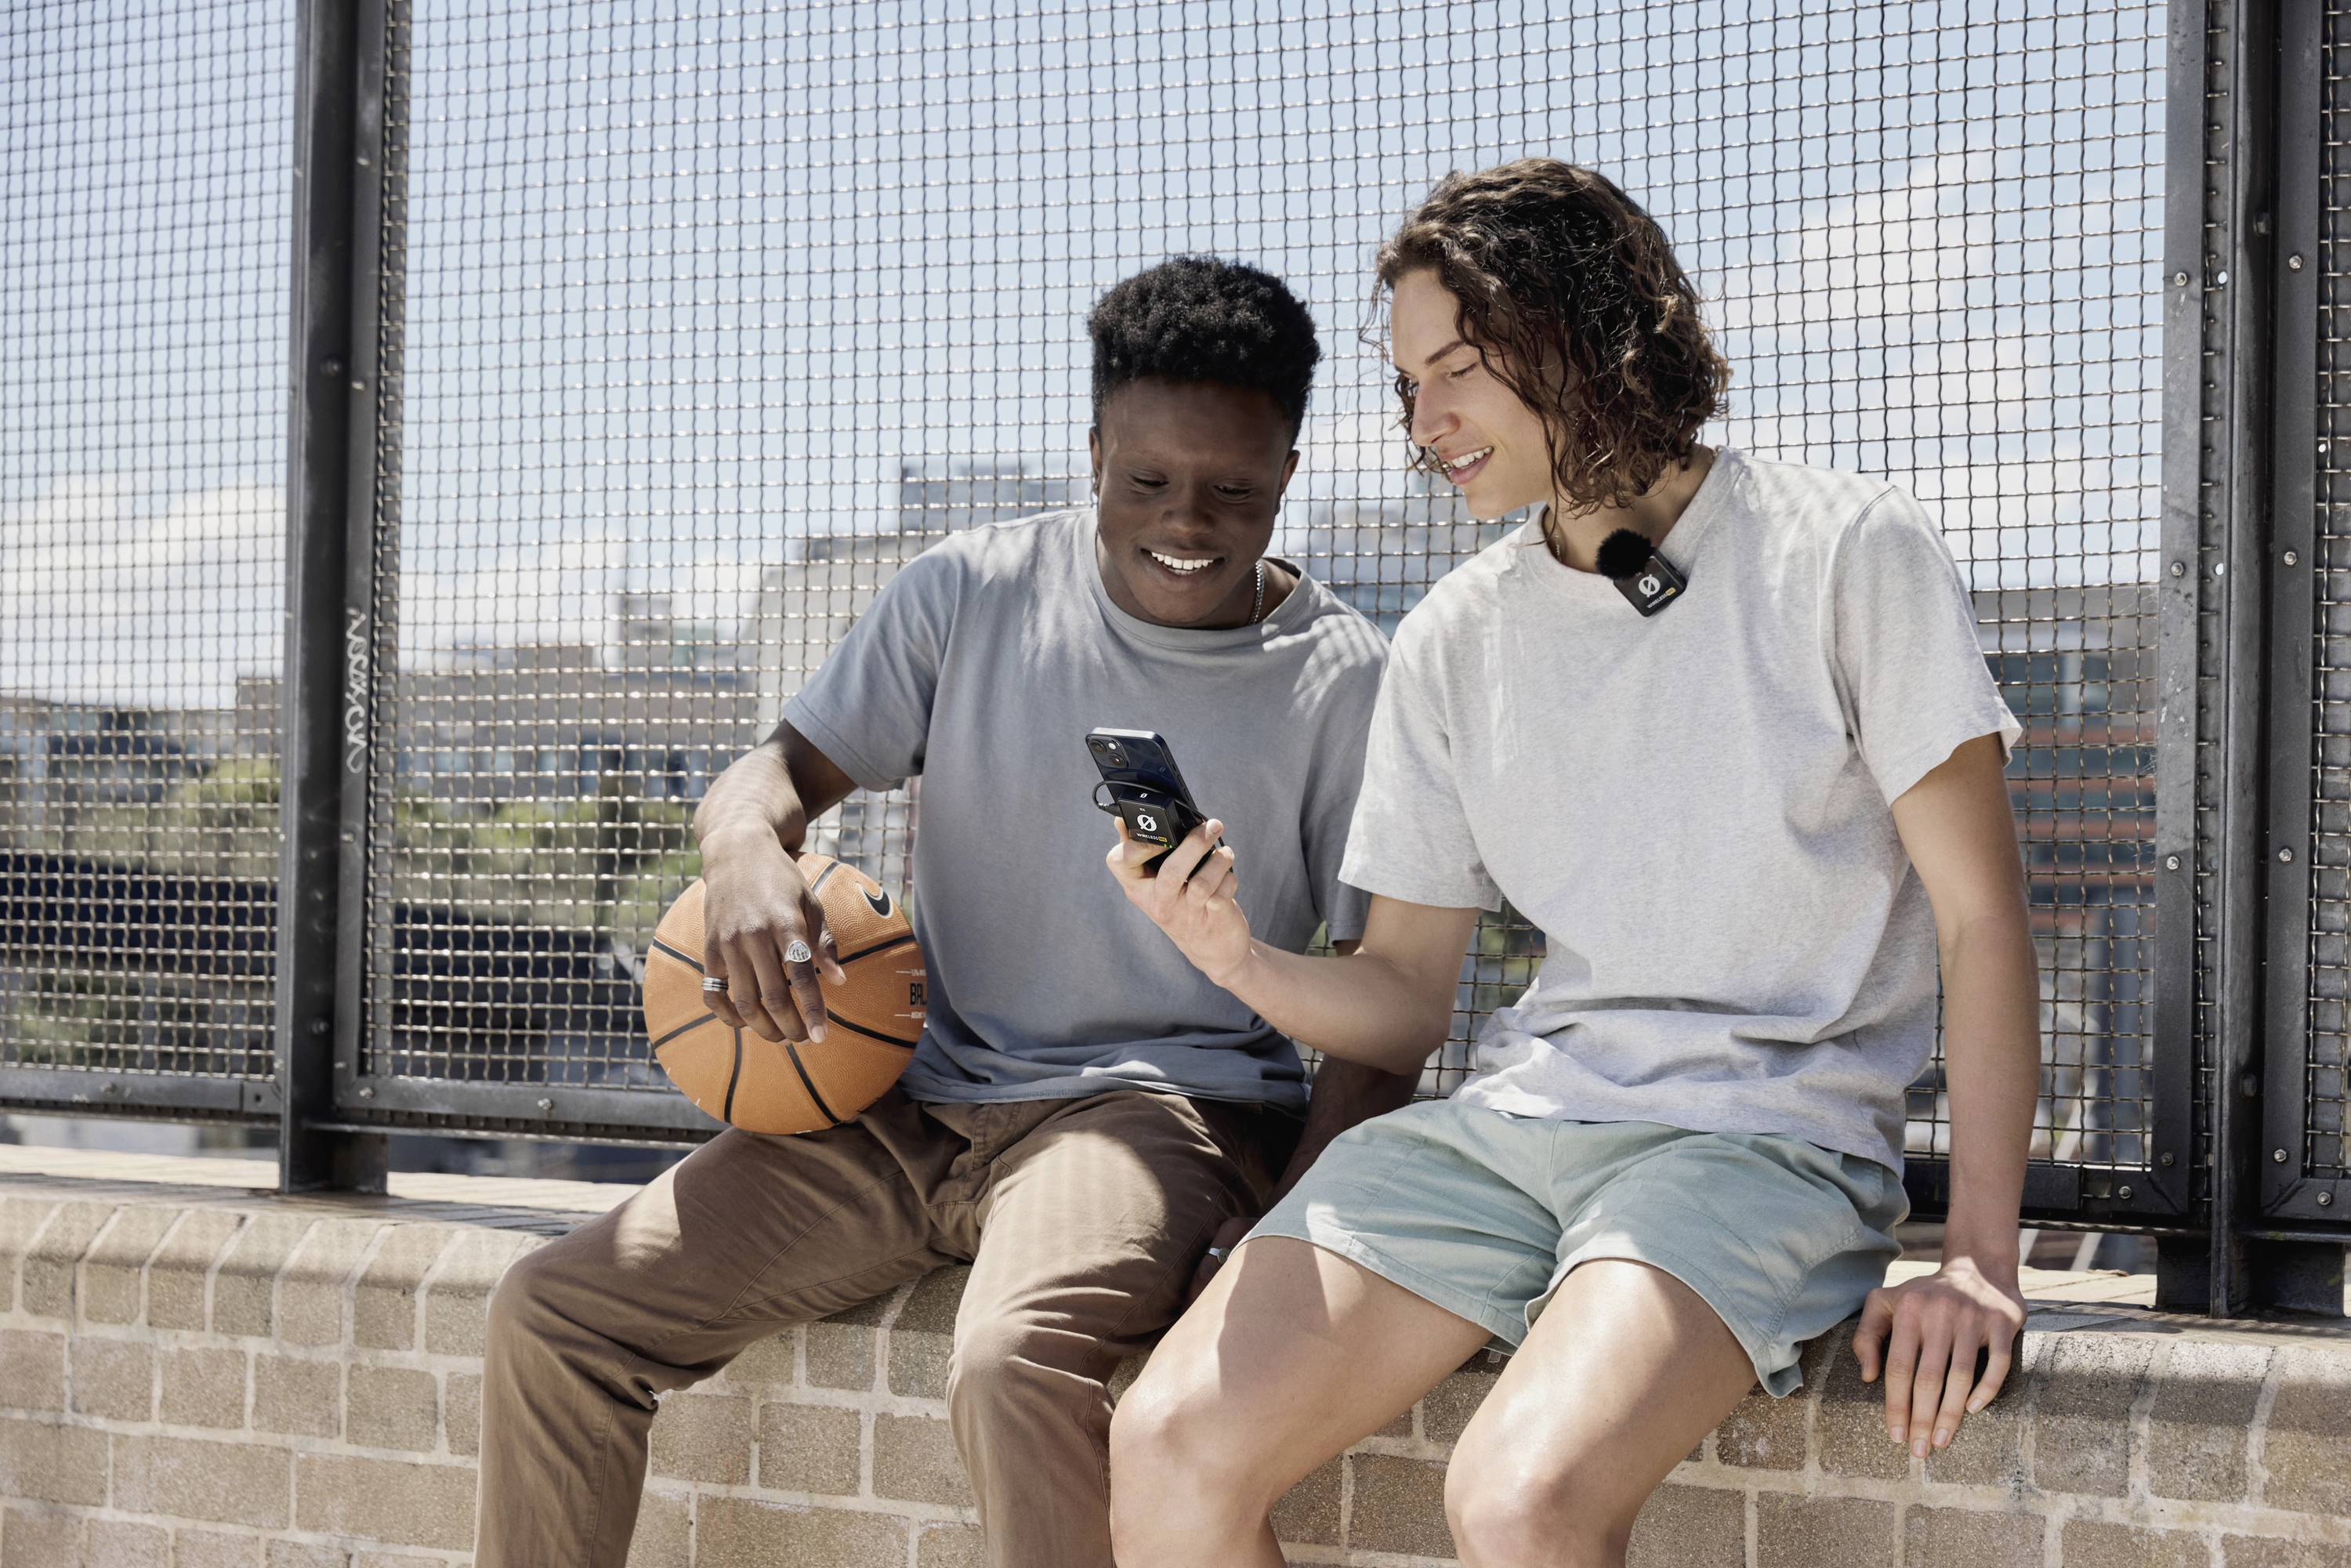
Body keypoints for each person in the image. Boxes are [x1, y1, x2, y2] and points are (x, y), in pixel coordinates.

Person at [1104, 161, 2038, 1568]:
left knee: (1520, 1496)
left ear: (1584, 333)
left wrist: (1976, 1253)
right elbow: (1408, 996)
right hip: (1517, 1129)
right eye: (1410, 383)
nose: (1424, 424)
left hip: (1761, 1142)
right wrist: (1234, 954)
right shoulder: (1454, 638)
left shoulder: (1847, 551)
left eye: (1458, 371)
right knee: (1167, 1440)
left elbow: (1979, 922)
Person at [471, 255, 1414, 1568]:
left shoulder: (1350, 684)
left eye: (1233, 489)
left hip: (1152, 1112)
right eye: (1147, 480)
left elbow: (1390, 1010)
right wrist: (744, 843)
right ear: (1093, 454)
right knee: (553, 1313)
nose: (1186, 519)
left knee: (1014, 1356)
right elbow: (771, 777)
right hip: (907, 1096)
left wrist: (1281, 1223)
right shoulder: (969, 590)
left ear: (1288, 472)